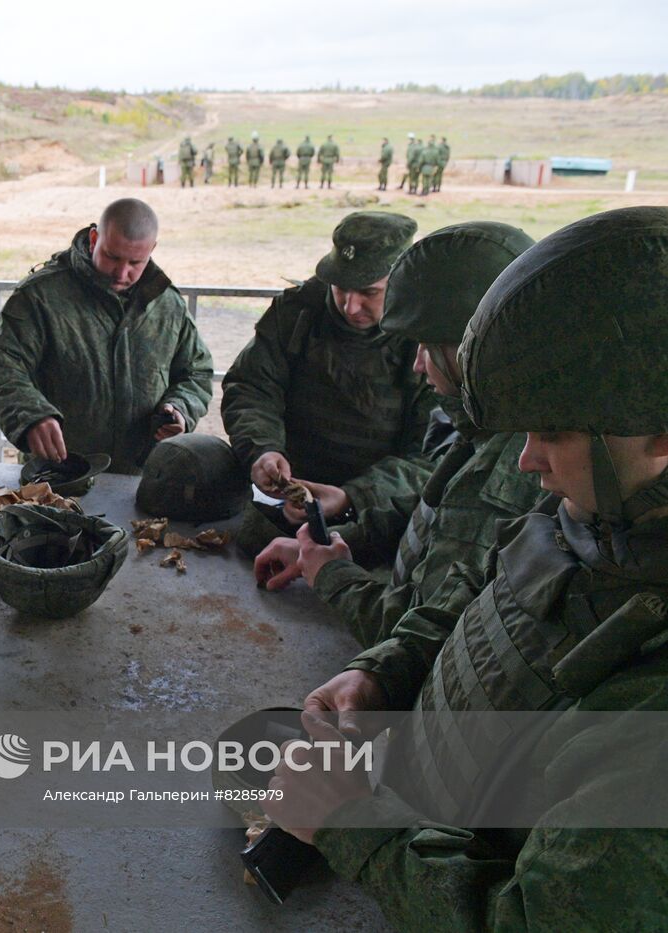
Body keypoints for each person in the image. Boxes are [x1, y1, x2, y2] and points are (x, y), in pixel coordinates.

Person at [264, 205, 668, 931]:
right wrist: (389, 668)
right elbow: (494, 592)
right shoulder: (607, 511)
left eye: (553, 432)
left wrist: (353, 824)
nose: (526, 459)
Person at [253, 222, 542, 649]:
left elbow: (419, 636)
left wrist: (333, 572)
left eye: (429, 348)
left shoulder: (513, 462)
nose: (418, 364)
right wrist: (330, 545)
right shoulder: (485, 425)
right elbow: (433, 511)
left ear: (473, 349)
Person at [221, 211, 434, 555]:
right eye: (340, 288)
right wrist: (263, 449)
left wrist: (354, 496)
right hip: (290, 496)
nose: (351, 307)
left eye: (369, 292)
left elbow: (432, 456)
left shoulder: (429, 338)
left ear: (403, 281)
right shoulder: (299, 310)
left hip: (381, 511)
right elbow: (252, 386)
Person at [0, 197, 214, 475]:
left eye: (135, 262)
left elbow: (196, 371)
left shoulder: (166, 303)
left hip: (143, 481)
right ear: (93, 239)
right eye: (112, 256)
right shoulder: (41, 296)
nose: (122, 273)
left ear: (152, 250)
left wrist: (180, 409)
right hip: (59, 479)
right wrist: (30, 415)